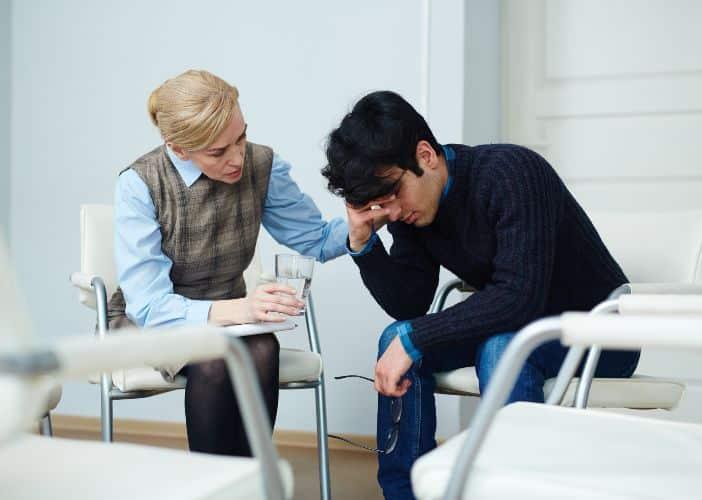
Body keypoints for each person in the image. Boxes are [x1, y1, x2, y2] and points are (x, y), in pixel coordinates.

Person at [321, 90, 640, 499]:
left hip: (599, 333)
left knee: (501, 348)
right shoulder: (408, 209)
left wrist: (417, 338)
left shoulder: (512, 173)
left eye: (393, 196)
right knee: (395, 336)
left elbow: (518, 296)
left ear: (425, 155)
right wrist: (364, 243)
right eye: (379, 205)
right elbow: (411, 304)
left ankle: (514, 490)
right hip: (520, 327)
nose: (393, 213)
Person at [107, 69, 347, 457]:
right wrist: (243, 308)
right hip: (150, 321)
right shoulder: (140, 183)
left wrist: (362, 224)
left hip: (233, 318)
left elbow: (314, 238)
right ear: (179, 149)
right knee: (216, 359)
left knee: (262, 348)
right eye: (218, 152)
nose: (238, 158)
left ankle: (250, 481)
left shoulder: (262, 164)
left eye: (241, 137)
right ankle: (217, 484)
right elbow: (149, 306)